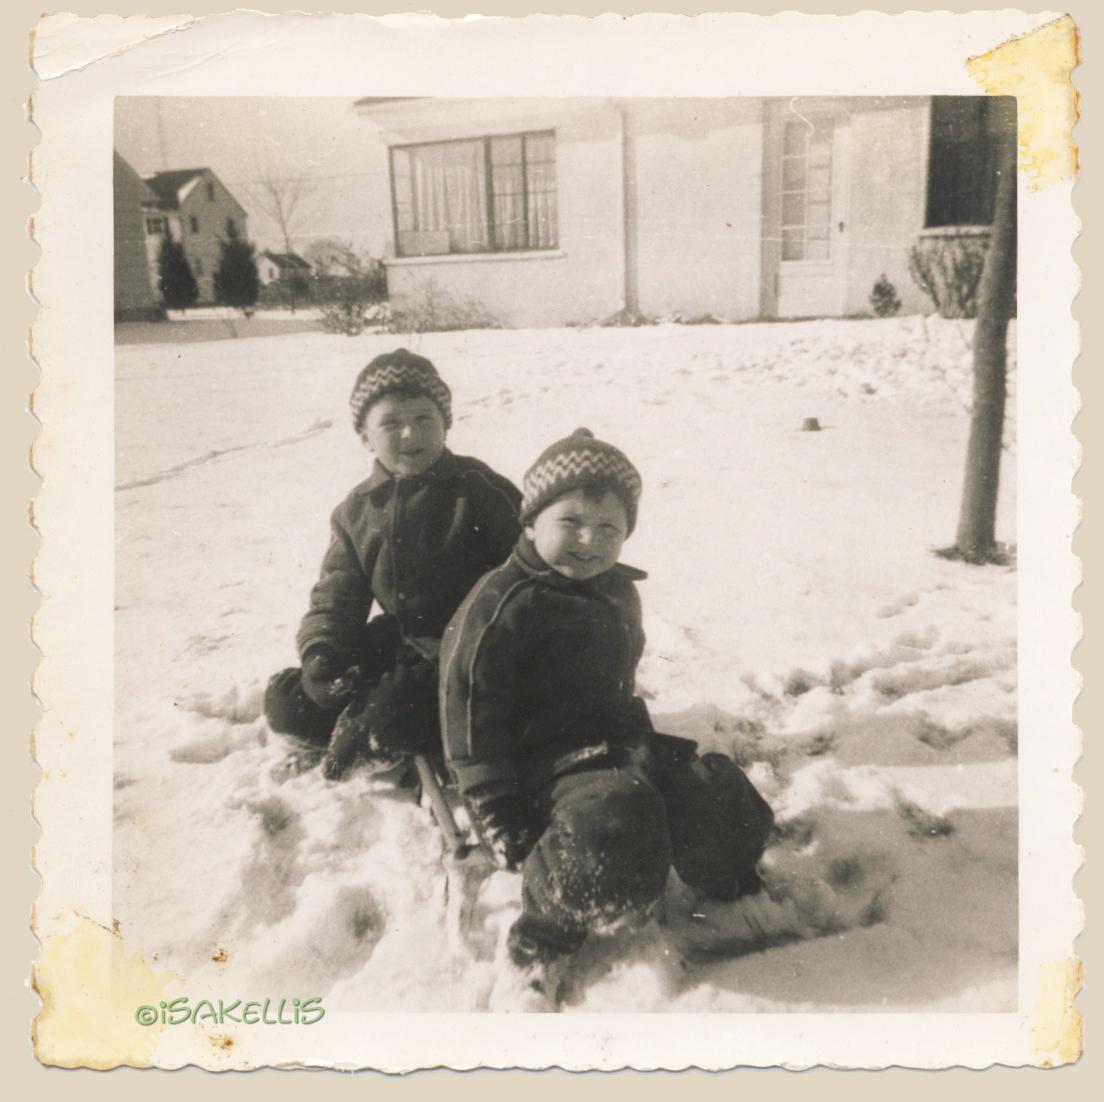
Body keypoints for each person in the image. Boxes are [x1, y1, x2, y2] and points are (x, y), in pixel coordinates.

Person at [440, 428, 776, 976]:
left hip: (621, 742)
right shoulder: (502, 604)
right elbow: (468, 714)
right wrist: (494, 807)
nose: (589, 541)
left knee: (722, 804)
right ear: (530, 522)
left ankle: (727, 885)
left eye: (608, 528)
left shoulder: (616, 587)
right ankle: (546, 930)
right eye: (570, 522)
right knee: (612, 844)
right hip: (544, 763)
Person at [264, 348, 521, 782]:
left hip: (472, 658)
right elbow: (337, 594)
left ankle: (395, 735)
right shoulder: (357, 511)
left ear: (446, 423)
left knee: (386, 718)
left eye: (424, 419)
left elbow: (525, 576)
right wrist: (322, 654)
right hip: (400, 645)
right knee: (289, 701)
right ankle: (365, 725)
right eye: (390, 423)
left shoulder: (478, 492)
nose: (410, 434)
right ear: (365, 436)